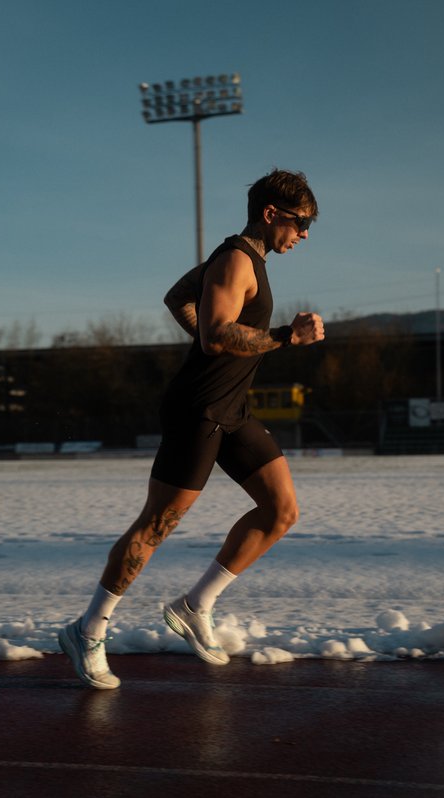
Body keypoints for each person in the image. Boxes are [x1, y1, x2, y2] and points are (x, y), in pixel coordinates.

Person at [58, 168, 325, 688]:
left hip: (232, 408)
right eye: (301, 223)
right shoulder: (234, 260)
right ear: (271, 214)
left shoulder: (240, 260)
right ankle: (87, 630)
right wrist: (285, 339)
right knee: (156, 526)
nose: (305, 235)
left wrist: (212, 332)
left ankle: (194, 604)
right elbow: (217, 338)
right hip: (198, 411)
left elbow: (177, 298)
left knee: (281, 510)